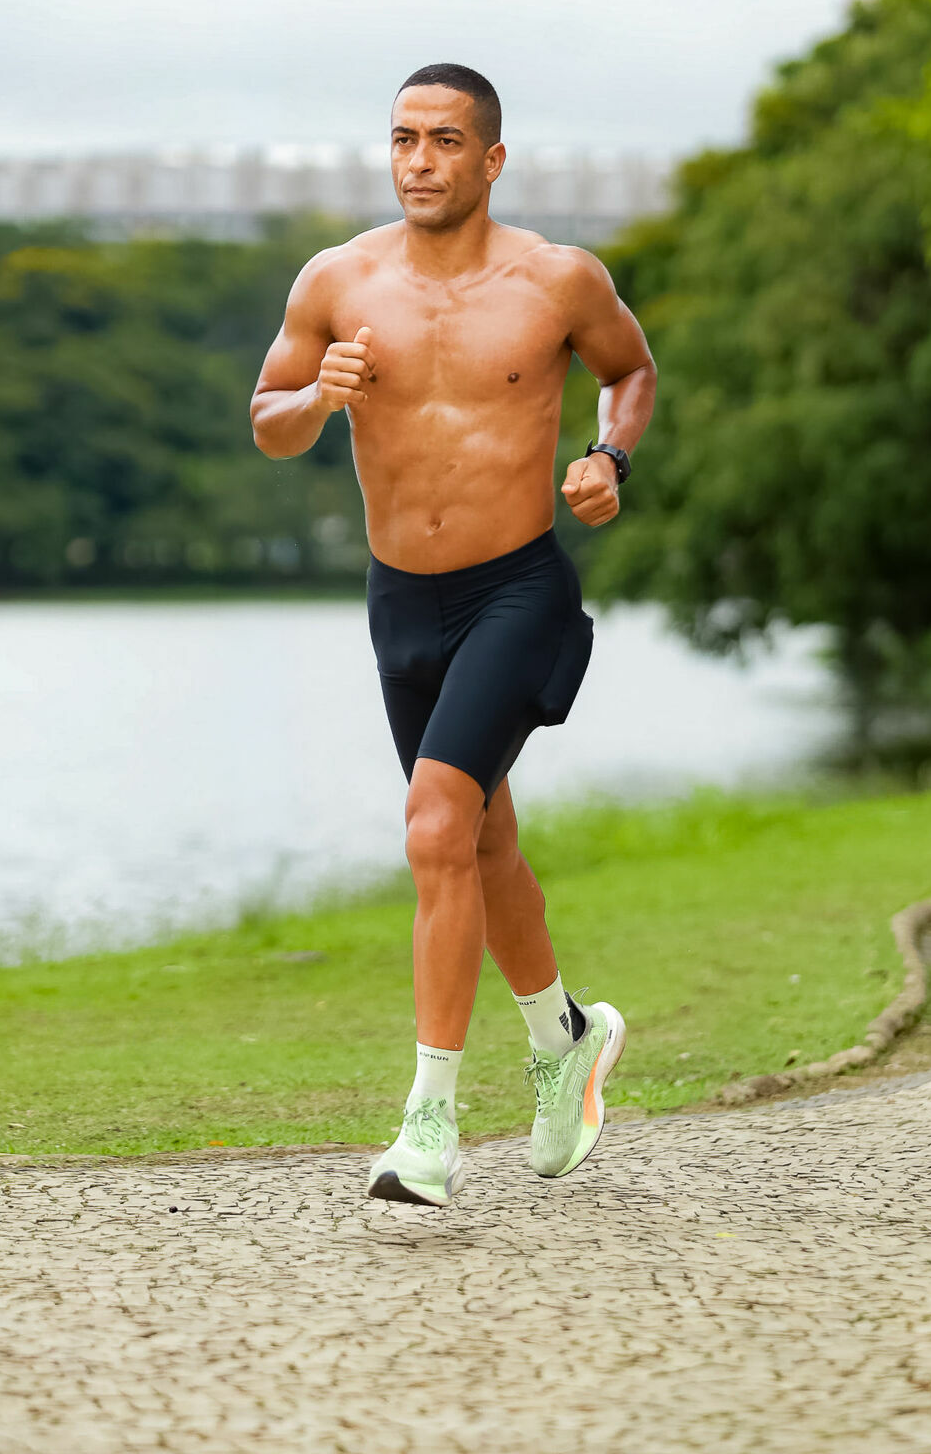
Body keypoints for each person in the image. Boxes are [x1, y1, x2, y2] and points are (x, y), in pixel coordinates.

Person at [250, 63, 656, 1206]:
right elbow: (268, 423)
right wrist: (318, 398)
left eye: (442, 140)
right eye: (401, 139)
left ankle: (426, 1125)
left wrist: (606, 458)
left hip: (515, 590)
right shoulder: (338, 280)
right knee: (476, 841)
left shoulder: (557, 279)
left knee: (434, 821)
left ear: (490, 160)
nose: (418, 160)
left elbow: (630, 372)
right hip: (401, 601)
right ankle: (564, 1036)